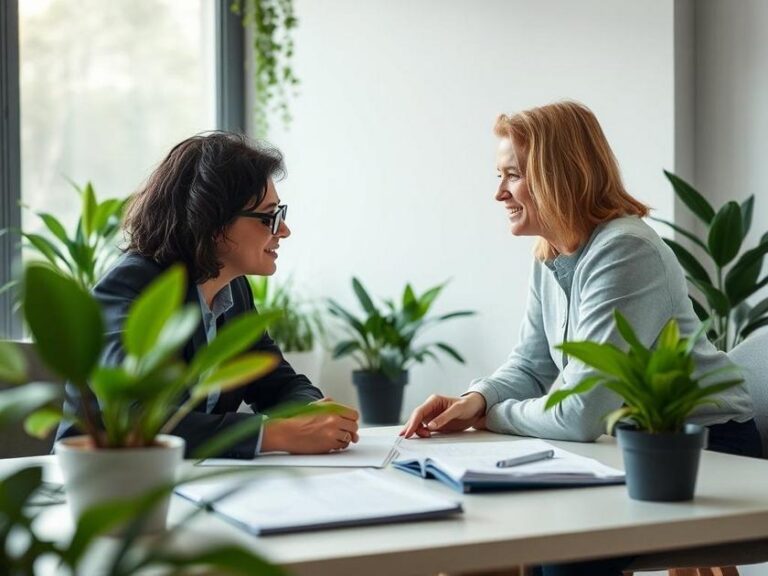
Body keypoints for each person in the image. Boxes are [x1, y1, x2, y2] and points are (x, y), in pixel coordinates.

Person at [401, 102, 759, 575]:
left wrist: (493, 415)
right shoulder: (549, 252)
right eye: (499, 175)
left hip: (706, 452)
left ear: (558, 175)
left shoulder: (625, 249)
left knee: (563, 553)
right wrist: (475, 398)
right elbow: (532, 365)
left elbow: (579, 413)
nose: (499, 194)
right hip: (626, 446)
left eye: (512, 175)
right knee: (513, 537)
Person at [56, 132, 359, 458]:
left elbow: (277, 382)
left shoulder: (233, 289)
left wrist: (311, 412)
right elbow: (140, 418)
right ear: (213, 223)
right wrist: (271, 434)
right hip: (105, 488)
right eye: (269, 218)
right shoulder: (129, 287)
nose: (284, 230)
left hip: (193, 480)